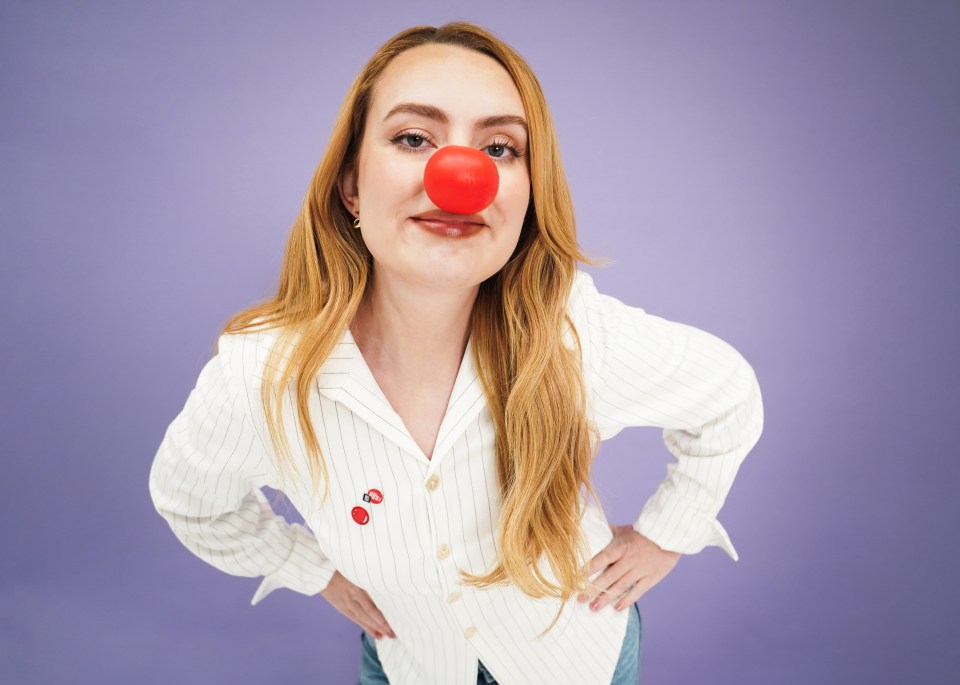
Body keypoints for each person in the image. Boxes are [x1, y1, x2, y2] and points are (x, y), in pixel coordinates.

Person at [149, 21, 764, 685]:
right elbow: (190, 499)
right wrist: (311, 567)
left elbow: (728, 394)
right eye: (414, 138)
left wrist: (666, 533)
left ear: (525, 199)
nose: (459, 175)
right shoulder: (262, 371)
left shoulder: (574, 333)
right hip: (412, 664)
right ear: (351, 186)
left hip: (580, 658)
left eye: (499, 147)